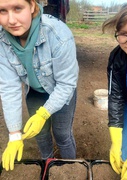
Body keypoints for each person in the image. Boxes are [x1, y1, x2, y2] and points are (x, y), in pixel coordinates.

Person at [0, 0, 79, 171]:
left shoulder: (58, 35)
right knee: (41, 135)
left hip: (61, 90)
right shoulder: (2, 41)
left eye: (18, 8)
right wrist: (14, 135)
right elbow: (9, 88)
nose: (11, 20)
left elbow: (66, 83)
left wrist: (44, 113)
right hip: (35, 91)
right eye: (2, 11)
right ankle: (47, 167)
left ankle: (71, 169)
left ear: (32, 6)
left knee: (62, 135)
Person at [102, 1, 127, 179]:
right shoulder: (117, 57)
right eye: (124, 34)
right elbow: (115, 97)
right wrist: (115, 136)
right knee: (123, 155)